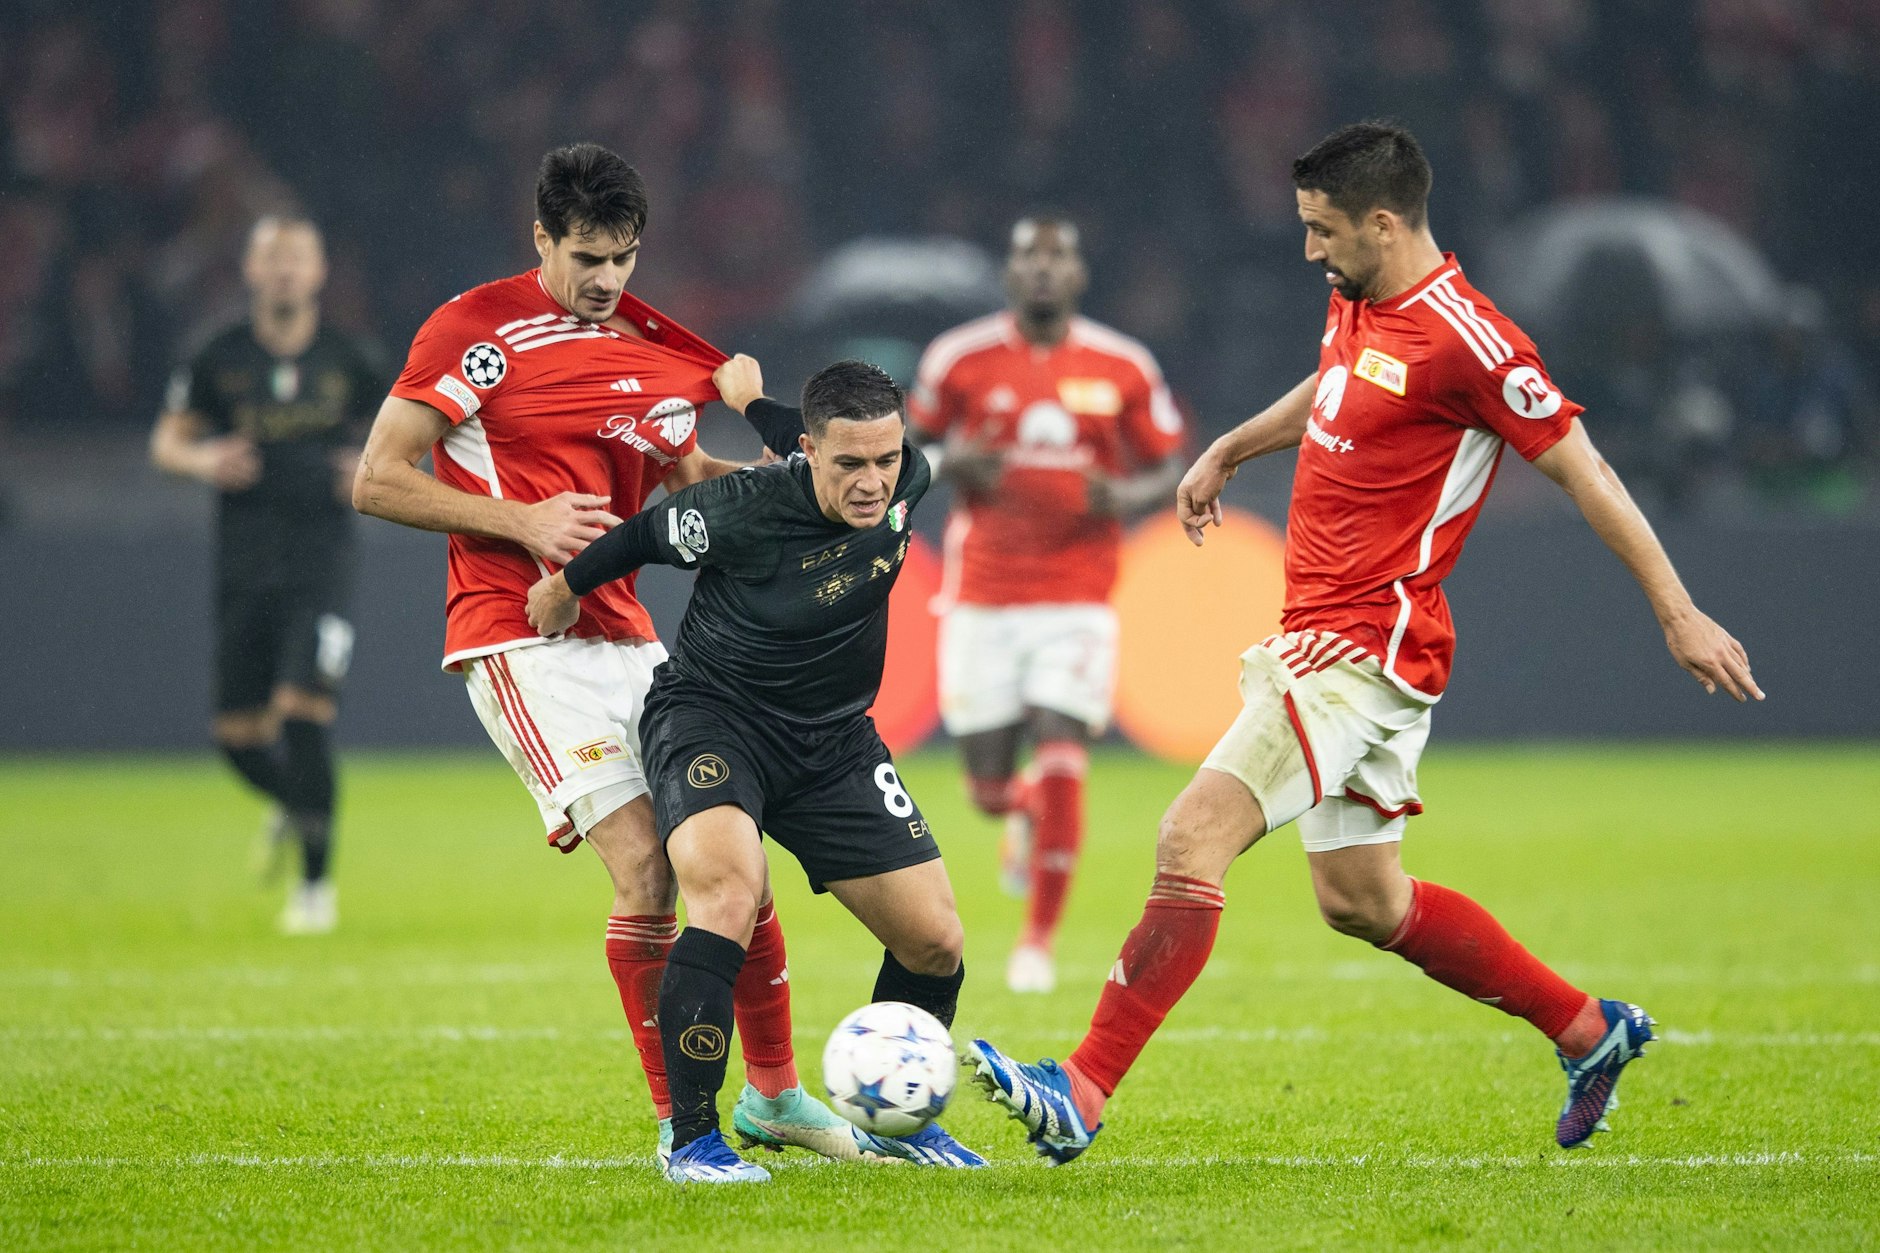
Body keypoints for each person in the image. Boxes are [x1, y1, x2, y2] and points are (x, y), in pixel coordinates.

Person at [965, 122, 1763, 1163]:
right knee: (1362, 899)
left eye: (1321, 229)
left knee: (1187, 837)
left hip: (1362, 647)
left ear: (1383, 224)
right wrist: (1230, 446)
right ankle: (1585, 1028)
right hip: (1338, 639)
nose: (1308, 250)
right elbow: (1332, 388)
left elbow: (1583, 468)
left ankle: (1079, 1086)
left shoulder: (1471, 342)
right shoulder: (1357, 296)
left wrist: (1676, 609)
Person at [352, 143, 852, 1170]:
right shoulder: (473, 331)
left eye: (622, 255)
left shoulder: (649, 344)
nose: (605, 278)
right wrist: (518, 520)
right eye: (585, 255)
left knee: (735, 869)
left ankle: (775, 1095)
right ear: (540, 236)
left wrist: (757, 480)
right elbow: (376, 478)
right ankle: (685, 1126)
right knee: (645, 871)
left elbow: (682, 476)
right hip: (519, 635)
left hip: (630, 636)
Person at [528, 359, 987, 1183]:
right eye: (849, 464)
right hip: (715, 719)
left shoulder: (905, 476)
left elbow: (793, 427)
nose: (872, 481)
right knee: (729, 894)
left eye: (885, 459)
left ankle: (899, 1125)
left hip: (835, 743)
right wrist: (564, 585)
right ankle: (694, 1139)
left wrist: (748, 398)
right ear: (810, 456)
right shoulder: (739, 510)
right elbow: (642, 534)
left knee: (934, 939)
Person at [910, 216, 1186, 993]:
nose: (1042, 269)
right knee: (988, 790)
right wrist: (948, 460)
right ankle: (1021, 810)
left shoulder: (1122, 364)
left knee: (1063, 742)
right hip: (983, 595)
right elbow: (899, 451)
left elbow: (1166, 465)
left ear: (1078, 275)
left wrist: (1124, 493)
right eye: (1028, 256)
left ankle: (1037, 941)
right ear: (1009, 273)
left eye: (1056, 256)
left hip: (1078, 594)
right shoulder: (957, 360)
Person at [151, 214, 382, 935]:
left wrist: (377, 468)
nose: (284, 271)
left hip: (322, 563)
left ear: (319, 273)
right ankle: (293, 803)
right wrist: (202, 460)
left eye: (298, 258)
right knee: (237, 736)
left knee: (305, 711)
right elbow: (167, 439)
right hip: (244, 566)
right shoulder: (218, 355)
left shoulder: (353, 357)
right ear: (251, 271)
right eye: (271, 259)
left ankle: (315, 890)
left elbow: (416, 433)